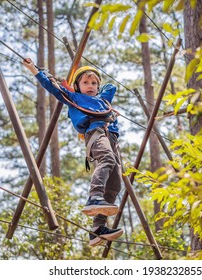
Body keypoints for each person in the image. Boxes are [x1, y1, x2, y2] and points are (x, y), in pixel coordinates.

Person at [23, 58, 123, 246]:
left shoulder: (102, 101)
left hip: (111, 138)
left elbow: (111, 88)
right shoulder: (75, 98)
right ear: (77, 86)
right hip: (95, 132)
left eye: (93, 83)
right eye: (85, 83)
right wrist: (36, 71)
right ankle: (94, 196)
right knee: (107, 159)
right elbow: (52, 88)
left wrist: (95, 87)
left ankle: (97, 229)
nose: (90, 86)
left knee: (115, 184)